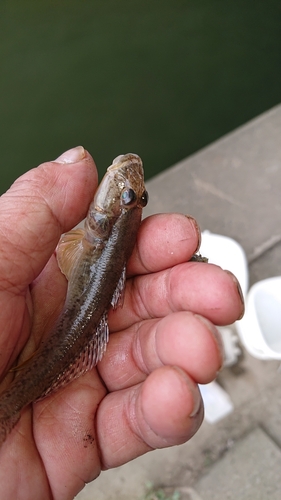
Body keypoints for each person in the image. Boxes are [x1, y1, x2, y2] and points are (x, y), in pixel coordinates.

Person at [0, 147, 244, 499]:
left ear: (100, 227)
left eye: (131, 196)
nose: (128, 186)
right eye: (132, 196)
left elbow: (69, 251)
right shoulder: (95, 237)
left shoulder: (94, 235)